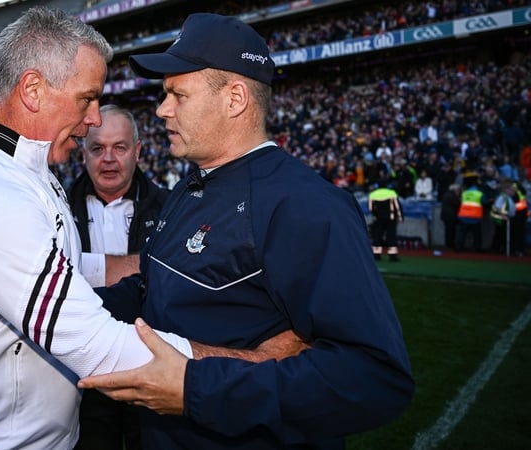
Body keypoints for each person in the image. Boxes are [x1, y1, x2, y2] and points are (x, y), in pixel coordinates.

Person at [0, 8, 305, 450]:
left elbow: (53, 270)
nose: (93, 119)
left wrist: (144, 269)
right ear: (33, 89)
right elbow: (98, 347)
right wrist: (261, 365)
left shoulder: (26, 165)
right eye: (86, 98)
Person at [78, 13, 415, 449]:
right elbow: (153, 289)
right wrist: (62, 312)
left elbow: (374, 378)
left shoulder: (304, 206)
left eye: (178, 94)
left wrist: (197, 387)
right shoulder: (189, 185)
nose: (162, 109)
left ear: (235, 98)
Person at [68, 104, 168, 450]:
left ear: (137, 151)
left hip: (151, 364)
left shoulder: (171, 207)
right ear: (83, 154)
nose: (108, 158)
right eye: (97, 148)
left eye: (119, 147)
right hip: (83, 367)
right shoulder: (57, 208)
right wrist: (141, 266)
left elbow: (175, 277)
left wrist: (85, 267)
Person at [369, 180, 404, 262]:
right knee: (391, 236)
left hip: (378, 218)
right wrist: (400, 216)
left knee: (377, 236)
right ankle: (393, 256)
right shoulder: (392, 193)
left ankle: (376, 255)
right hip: (390, 218)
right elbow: (397, 206)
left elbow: (371, 208)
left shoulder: (373, 194)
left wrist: (375, 215)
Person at [456, 172, 487, 252]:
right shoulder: (480, 193)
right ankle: (477, 248)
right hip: (475, 217)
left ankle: (459, 247)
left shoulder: (464, 193)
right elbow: (484, 202)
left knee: (462, 234)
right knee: (476, 235)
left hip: (464, 216)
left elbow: (461, 202)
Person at [440, 183, 461, 250]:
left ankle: (448, 244)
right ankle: (450, 244)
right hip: (451, 216)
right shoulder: (452, 196)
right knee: (451, 231)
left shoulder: (446, 194)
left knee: (448, 231)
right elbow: (457, 204)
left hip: (445, 215)